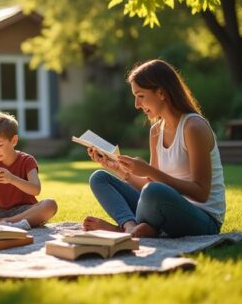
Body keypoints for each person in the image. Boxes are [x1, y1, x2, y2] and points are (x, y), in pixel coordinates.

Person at [84, 59, 226, 238]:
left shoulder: (193, 127)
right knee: (100, 178)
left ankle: (127, 230)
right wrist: (119, 169)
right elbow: (148, 187)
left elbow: (201, 193)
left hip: (202, 219)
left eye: (141, 96)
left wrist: (149, 171)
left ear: (160, 92)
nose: (137, 104)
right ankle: (129, 227)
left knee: (154, 191)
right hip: (160, 206)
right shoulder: (156, 131)